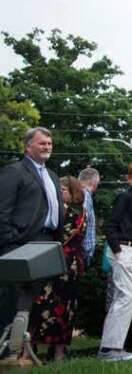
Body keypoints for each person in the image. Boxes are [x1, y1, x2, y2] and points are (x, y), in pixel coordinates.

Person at [0, 127, 64, 343]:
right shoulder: (15, 171)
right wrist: (9, 239)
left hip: (45, 243)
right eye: (42, 143)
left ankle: (17, 347)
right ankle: (4, 347)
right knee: (11, 298)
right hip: (19, 242)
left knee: (31, 299)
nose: (47, 147)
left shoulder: (52, 176)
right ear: (28, 146)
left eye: (49, 143)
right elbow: (3, 209)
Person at [97, 160, 132, 362]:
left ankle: (110, 347)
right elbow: (111, 225)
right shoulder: (124, 197)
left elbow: (129, 226)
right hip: (123, 250)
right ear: (129, 178)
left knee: (124, 297)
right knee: (127, 296)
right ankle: (110, 348)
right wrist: (117, 250)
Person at [29, 176, 88, 362]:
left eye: (63, 189)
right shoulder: (65, 210)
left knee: (58, 307)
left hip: (64, 263)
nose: (59, 192)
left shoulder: (74, 213)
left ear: (73, 192)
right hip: (62, 262)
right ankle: (38, 350)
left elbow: (58, 236)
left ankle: (56, 352)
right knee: (42, 306)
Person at [77, 167, 100, 266]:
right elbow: (82, 222)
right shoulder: (85, 196)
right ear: (94, 184)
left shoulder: (77, 194)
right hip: (81, 251)